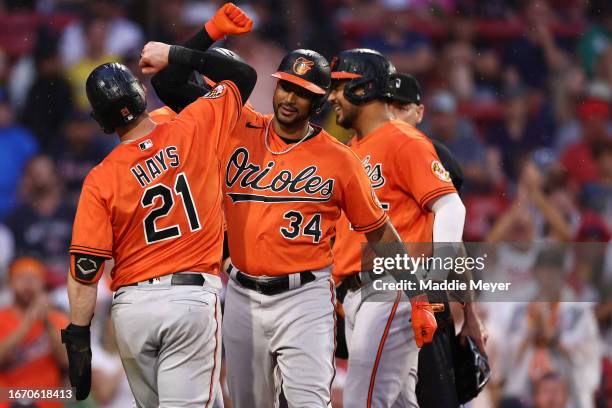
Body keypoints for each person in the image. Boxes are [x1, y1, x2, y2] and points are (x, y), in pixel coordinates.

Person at [148, 24, 439, 408]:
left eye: (304, 93)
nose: (290, 98)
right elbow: (169, 80)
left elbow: (379, 232)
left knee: (309, 403)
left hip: (305, 297)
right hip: (240, 294)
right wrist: (203, 36)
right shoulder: (238, 125)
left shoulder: (340, 159)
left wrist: (418, 294)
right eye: (286, 86)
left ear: (318, 103)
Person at [61, 9, 256, 406]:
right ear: (142, 94)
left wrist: (78, 338)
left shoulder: (101, 176)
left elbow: (85, 270)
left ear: (99, 120)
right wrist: (182, 49)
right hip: (188, 299)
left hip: (131, 311)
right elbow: (243, 77)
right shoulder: (193, 126)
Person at [328, 48, 481, 407]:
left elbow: (450, 205)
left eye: (339, 86)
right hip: (357, 295)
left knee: (364, 401)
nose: (331, 96)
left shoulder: (403, 139)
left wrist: (432, 277)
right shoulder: (351, 148)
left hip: (390, 287)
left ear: (364, 88)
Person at [389, 72, 490, 407]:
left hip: (426, 296)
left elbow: (453, 239)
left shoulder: (437, 157)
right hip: (372, 291)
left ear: (419, 113)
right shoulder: (358, 152)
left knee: (435, 398)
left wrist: (471, 314)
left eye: (403, 107)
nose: (395, 114)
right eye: (390, 105)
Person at [0, 257, 68, 408]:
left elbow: (68, 362)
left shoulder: (57, 319)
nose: (27, 284)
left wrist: (47, 322)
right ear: (10, 283)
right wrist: (28, 322)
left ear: (42, 283)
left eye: (33, 278)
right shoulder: (1, 318)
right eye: (21, 278)